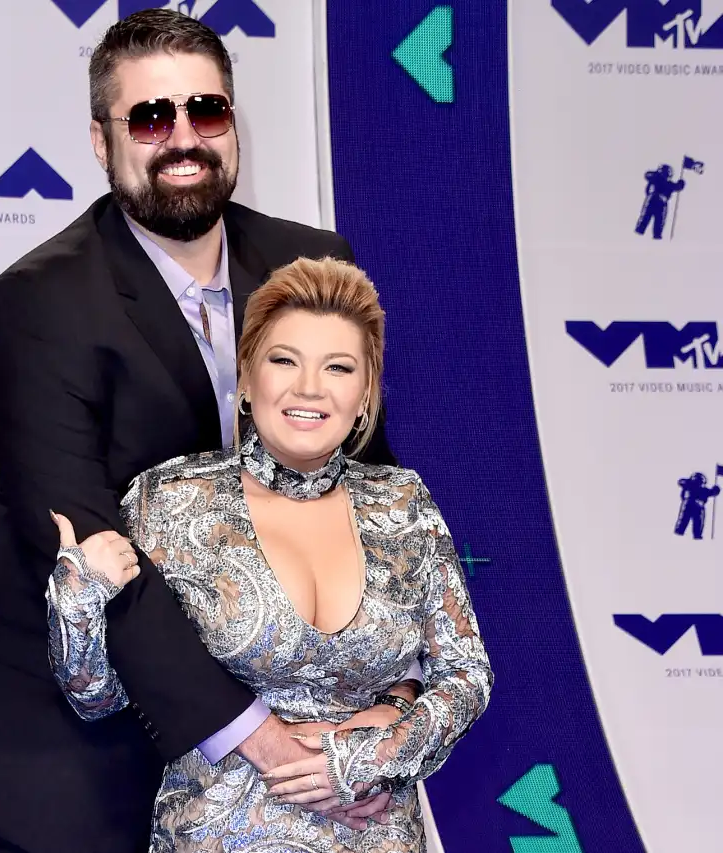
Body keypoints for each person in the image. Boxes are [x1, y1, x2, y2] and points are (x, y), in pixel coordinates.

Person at [0, 9, 421, 853]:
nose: (183, 137)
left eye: (206, 111)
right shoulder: (40, 302)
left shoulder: (313, 263)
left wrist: (380, 721)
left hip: (286, 759)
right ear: (100, 140)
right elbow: (88, 551)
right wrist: (268, 746)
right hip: (75, 754)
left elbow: (373, 510)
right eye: (150, 117)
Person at [47, 257, 494, 852]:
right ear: (248, 379)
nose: (310, 388)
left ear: (365, 395)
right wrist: (77, 595)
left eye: (339, 367)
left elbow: (465, 674)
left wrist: (375, 758)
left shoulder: (403, 501)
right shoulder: (173, 500)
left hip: (379, 835)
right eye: (285, 360)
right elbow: (98, 697)